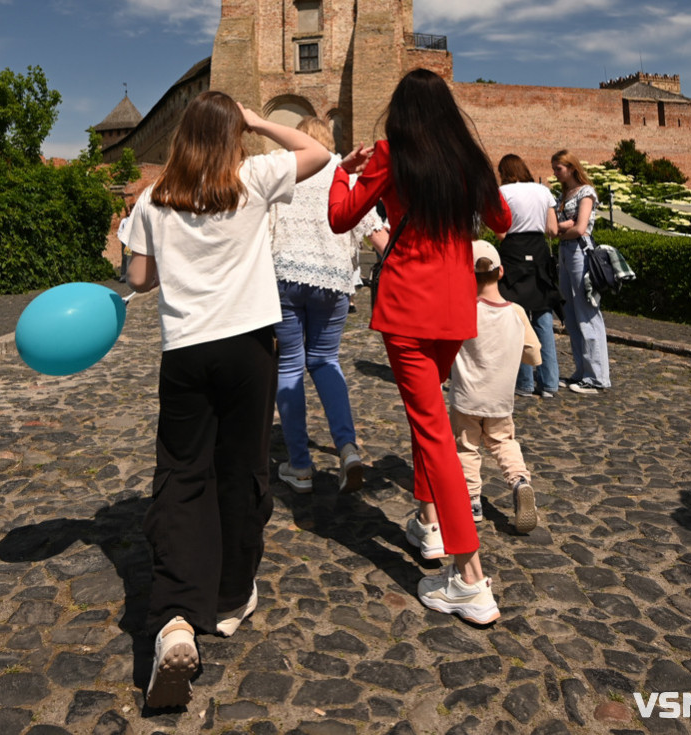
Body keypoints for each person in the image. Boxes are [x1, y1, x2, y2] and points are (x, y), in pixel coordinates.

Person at [125, 92, 330, 708]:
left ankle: (174, 620)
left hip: (186, 351)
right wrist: (261, 120)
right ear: (233, 134)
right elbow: (320, 151)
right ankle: (230, 595)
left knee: (181, 476)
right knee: (241, 471)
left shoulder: (154, 197)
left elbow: (138, 279)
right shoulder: (254, 176)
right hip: (248, 347)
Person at [328, 68, 512, 625]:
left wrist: (343, 172)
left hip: (409, 308)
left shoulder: (390, 153)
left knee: (433, 433)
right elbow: (501, 220)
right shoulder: (467, 160)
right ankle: (428, 522)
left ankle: (469, 576)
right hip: (455, 310)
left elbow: (342, 219)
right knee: (425, 417)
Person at [270, 116, 385, 495]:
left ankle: (300, 466)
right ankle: (347, 448)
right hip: (333, 282)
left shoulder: (282, 176)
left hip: (284, 276)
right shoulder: (344, 176)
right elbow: (377, 237)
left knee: (289, 365)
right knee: (325, 360)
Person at [449, 241, 541, 533]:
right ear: (501, 272)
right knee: (504, 442)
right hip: (500, 399)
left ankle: (472, 501)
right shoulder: (516, 312)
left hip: (467, 397)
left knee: (467, 447)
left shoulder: (462, 309)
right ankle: (519, 481)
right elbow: (534, 355)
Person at [496, 153, 560, 398]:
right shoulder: (542, 190)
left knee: (516, 318)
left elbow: (501, 232)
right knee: (543, 316)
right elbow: (552, 229)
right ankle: (550, 382)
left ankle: (524, 382)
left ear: (504, 172)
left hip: (513, 253)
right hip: (539, 252)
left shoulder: (503, 193)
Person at [551, 149, 611, 394]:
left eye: (559, 169)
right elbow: (553, 226)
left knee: (586, 311)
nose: (555, 173)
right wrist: (563, 228)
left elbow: (581, 227)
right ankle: (582, 370)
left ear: (572, 168)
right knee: (571, 313)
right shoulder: (564, 194)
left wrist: (561, 228)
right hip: (565, 251)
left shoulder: (586, 192)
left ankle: (597, 376)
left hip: (579, 252)